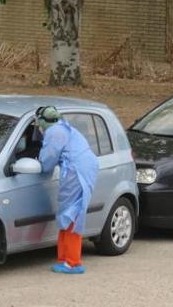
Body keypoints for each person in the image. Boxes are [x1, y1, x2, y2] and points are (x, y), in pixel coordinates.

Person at [36, 106, 99, 274]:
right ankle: (66, 259)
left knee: (71, 214)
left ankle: (72, 261)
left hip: (76, 171)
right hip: (81, 169)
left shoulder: (54, 132)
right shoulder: (63, 127)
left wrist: (39, 164)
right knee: (70, 213)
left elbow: (47, 160)